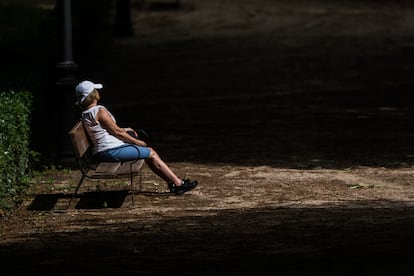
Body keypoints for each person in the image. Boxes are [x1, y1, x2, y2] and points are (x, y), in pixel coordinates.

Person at [75, 80, 198, 195]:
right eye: (96, 91)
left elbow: (105, 130)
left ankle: (174, 182)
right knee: (151, 153)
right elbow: (117, 132)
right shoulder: (99, 111)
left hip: (104, 150)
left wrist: (124, 130)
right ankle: (178, 184)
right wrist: (137, 142)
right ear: (93, 95)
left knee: (149, 154)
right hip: (110, 151)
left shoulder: (86, 113)